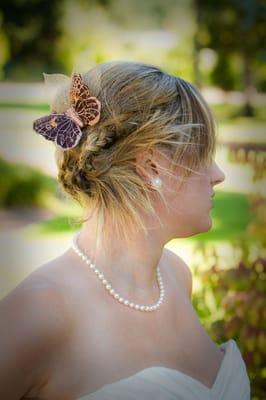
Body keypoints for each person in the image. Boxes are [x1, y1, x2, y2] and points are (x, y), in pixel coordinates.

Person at [0, 61, 250, 400]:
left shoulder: (176, 277)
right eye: (203, 154)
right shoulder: (38, 312)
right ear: (150, 165)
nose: (218, 174)